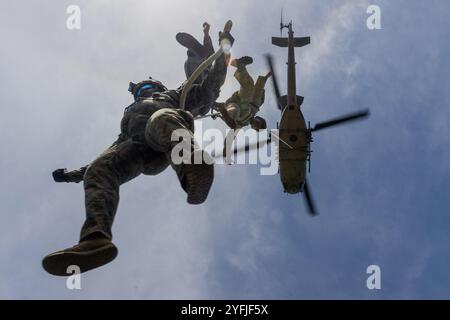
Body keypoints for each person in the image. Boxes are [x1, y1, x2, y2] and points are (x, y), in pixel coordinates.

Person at [42, 26, 234, 276]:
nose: (143, 92)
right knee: (101, 169)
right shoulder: (129, 117)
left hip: (166, 132)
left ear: (158, 86)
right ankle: (95, 239)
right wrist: (72, 175)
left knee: (161, 118)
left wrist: (224, 51)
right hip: (137, 149)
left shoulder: (175, 96)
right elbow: (108, 154)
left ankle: (193, 167)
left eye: (147, 87)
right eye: (139, 91)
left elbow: (209, 88)